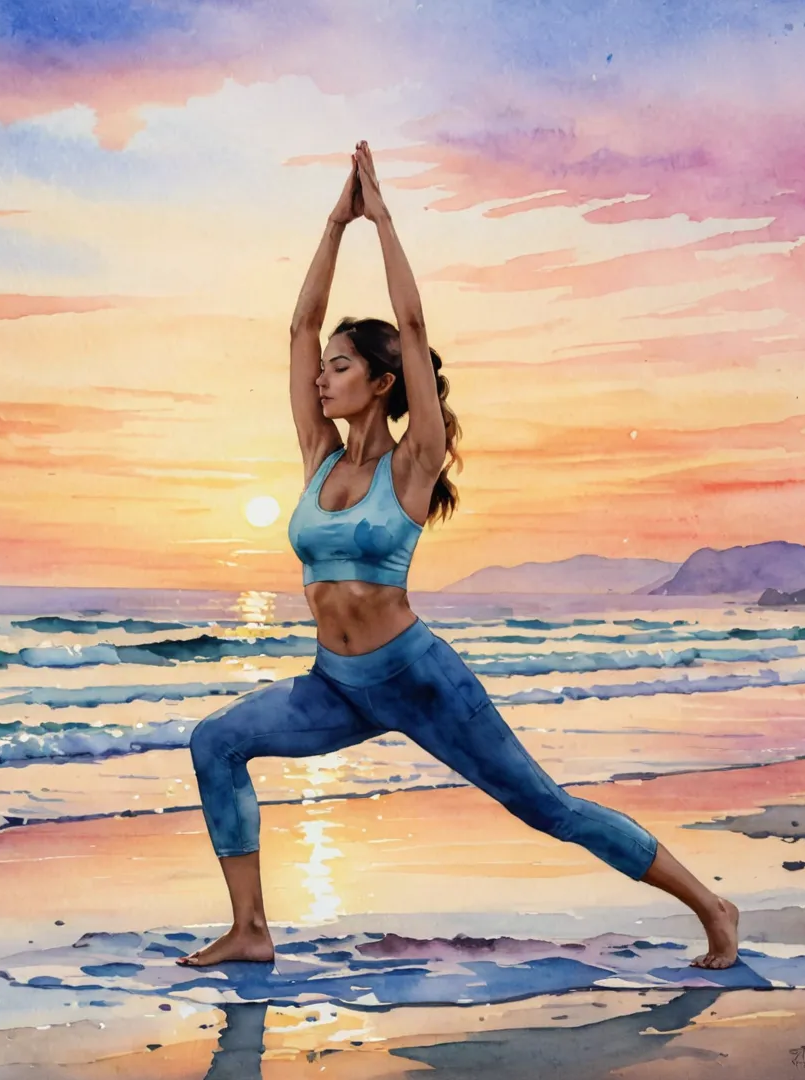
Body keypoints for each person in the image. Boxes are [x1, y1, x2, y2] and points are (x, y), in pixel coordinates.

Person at [176, 141, 739, 970]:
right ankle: (251, 929)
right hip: (335, 685)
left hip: (420, 679)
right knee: (214, 741)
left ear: (379, 381)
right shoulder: (319, 457)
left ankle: (712, 906)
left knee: (545, 807)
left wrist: (385, 219)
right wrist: (336, 223)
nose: (322, 379)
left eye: (340, 368)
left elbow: (413, 328)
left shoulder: (412, 462)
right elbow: (297, 326)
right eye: (322, 370)